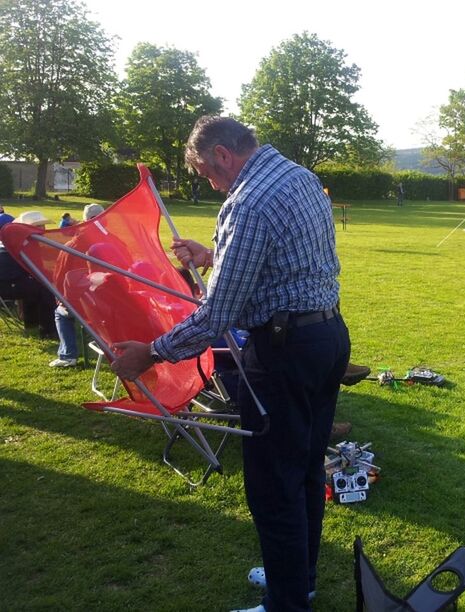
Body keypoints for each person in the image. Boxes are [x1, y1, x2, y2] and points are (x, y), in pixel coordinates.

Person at [110, 116, 350, 612]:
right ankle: (296, 578)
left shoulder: (248, 200)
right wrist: (215, 253)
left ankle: (287, 601)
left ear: (222, 154)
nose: (209, 182)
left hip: (284, 351)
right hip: (327, 338)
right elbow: (285, 258)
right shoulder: (295, 175)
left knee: (273, 483)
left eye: (204, 171)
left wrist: (150, 352)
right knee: (304, 468)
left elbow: (217, 315)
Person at [49, 203, 106, 367]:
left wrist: (61, 301)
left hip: (85, 304)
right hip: (114, 302)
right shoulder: (115, 242)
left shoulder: (72, 246)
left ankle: (68, 355)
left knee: (60, 312)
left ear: (85, 221)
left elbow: (59, 278)